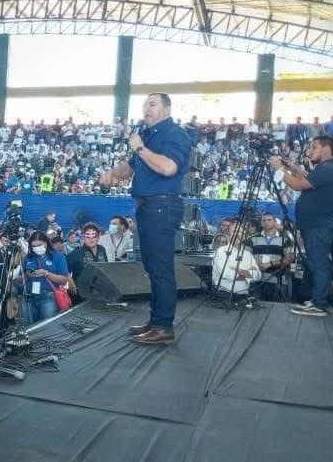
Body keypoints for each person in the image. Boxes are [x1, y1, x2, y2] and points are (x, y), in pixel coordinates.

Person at [99, 93, 191, 344]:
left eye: (152, 104)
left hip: (163, 205)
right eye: (144, 105)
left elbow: (168, 167)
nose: (145, 109)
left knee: (161, 268)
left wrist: (139, 147)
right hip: (147, 207)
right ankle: (155, 321)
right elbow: (128, 168)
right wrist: (112, 173)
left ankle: (164, 327)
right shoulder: (148, 135)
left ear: (167, 109)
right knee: (151, 268)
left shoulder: (174, 134)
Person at [270, 135, 333, 316]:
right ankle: (317, 299)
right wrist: (294, 168)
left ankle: (319, 304)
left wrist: (280, 168)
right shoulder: (324, 169)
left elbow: (298, 185)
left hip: (318, 226)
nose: (309, 150)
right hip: (318, 225)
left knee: (319, 264)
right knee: (320, 263)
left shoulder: (327, 168)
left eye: (314, 147)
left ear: (326, 148)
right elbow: (307, 179)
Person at [20, 231, 70, 324]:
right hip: (29, 298)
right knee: (28, 328)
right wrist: (26, 275)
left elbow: (64, 280)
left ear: (46, 243)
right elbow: (21, 278)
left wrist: (46, 273)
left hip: (48, 297)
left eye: (39, 245)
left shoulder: (57, 256)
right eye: (34, 246)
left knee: (48, 327)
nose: (37, 248)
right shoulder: (28, 257)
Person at [245, 212, 295, 301]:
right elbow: (245, 257)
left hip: (277, 280)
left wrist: (271, 263)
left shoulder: (285, 239)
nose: (266, 222)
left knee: (277, 309)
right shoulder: (251, 239)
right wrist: (256, 265)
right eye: (263, 220)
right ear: (261, 223)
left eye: (269, 220)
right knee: (254, 306)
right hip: (256, 279)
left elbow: (290, 258)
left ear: (275, 222)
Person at [211, 227, 261, 297]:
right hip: (223, 295)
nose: (237, 234)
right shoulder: (221, 251)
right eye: (234, 232)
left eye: (240, 232)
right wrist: (247, 274)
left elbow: (258, 275)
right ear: (228, 236)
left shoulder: (248, 254)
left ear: (244, 236)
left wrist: (236, 269)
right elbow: (225, 274)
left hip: (244, 296)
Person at [66, 223, 107, 302]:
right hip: (81, 295)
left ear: (98, 237)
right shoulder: (76, 253)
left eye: (94, 236)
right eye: (87, 236)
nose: (91, 239)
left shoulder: (102, 249)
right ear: (83, 238)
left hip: (100, 291)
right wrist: (70, 281)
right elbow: (63, 267)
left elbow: (105, 266)